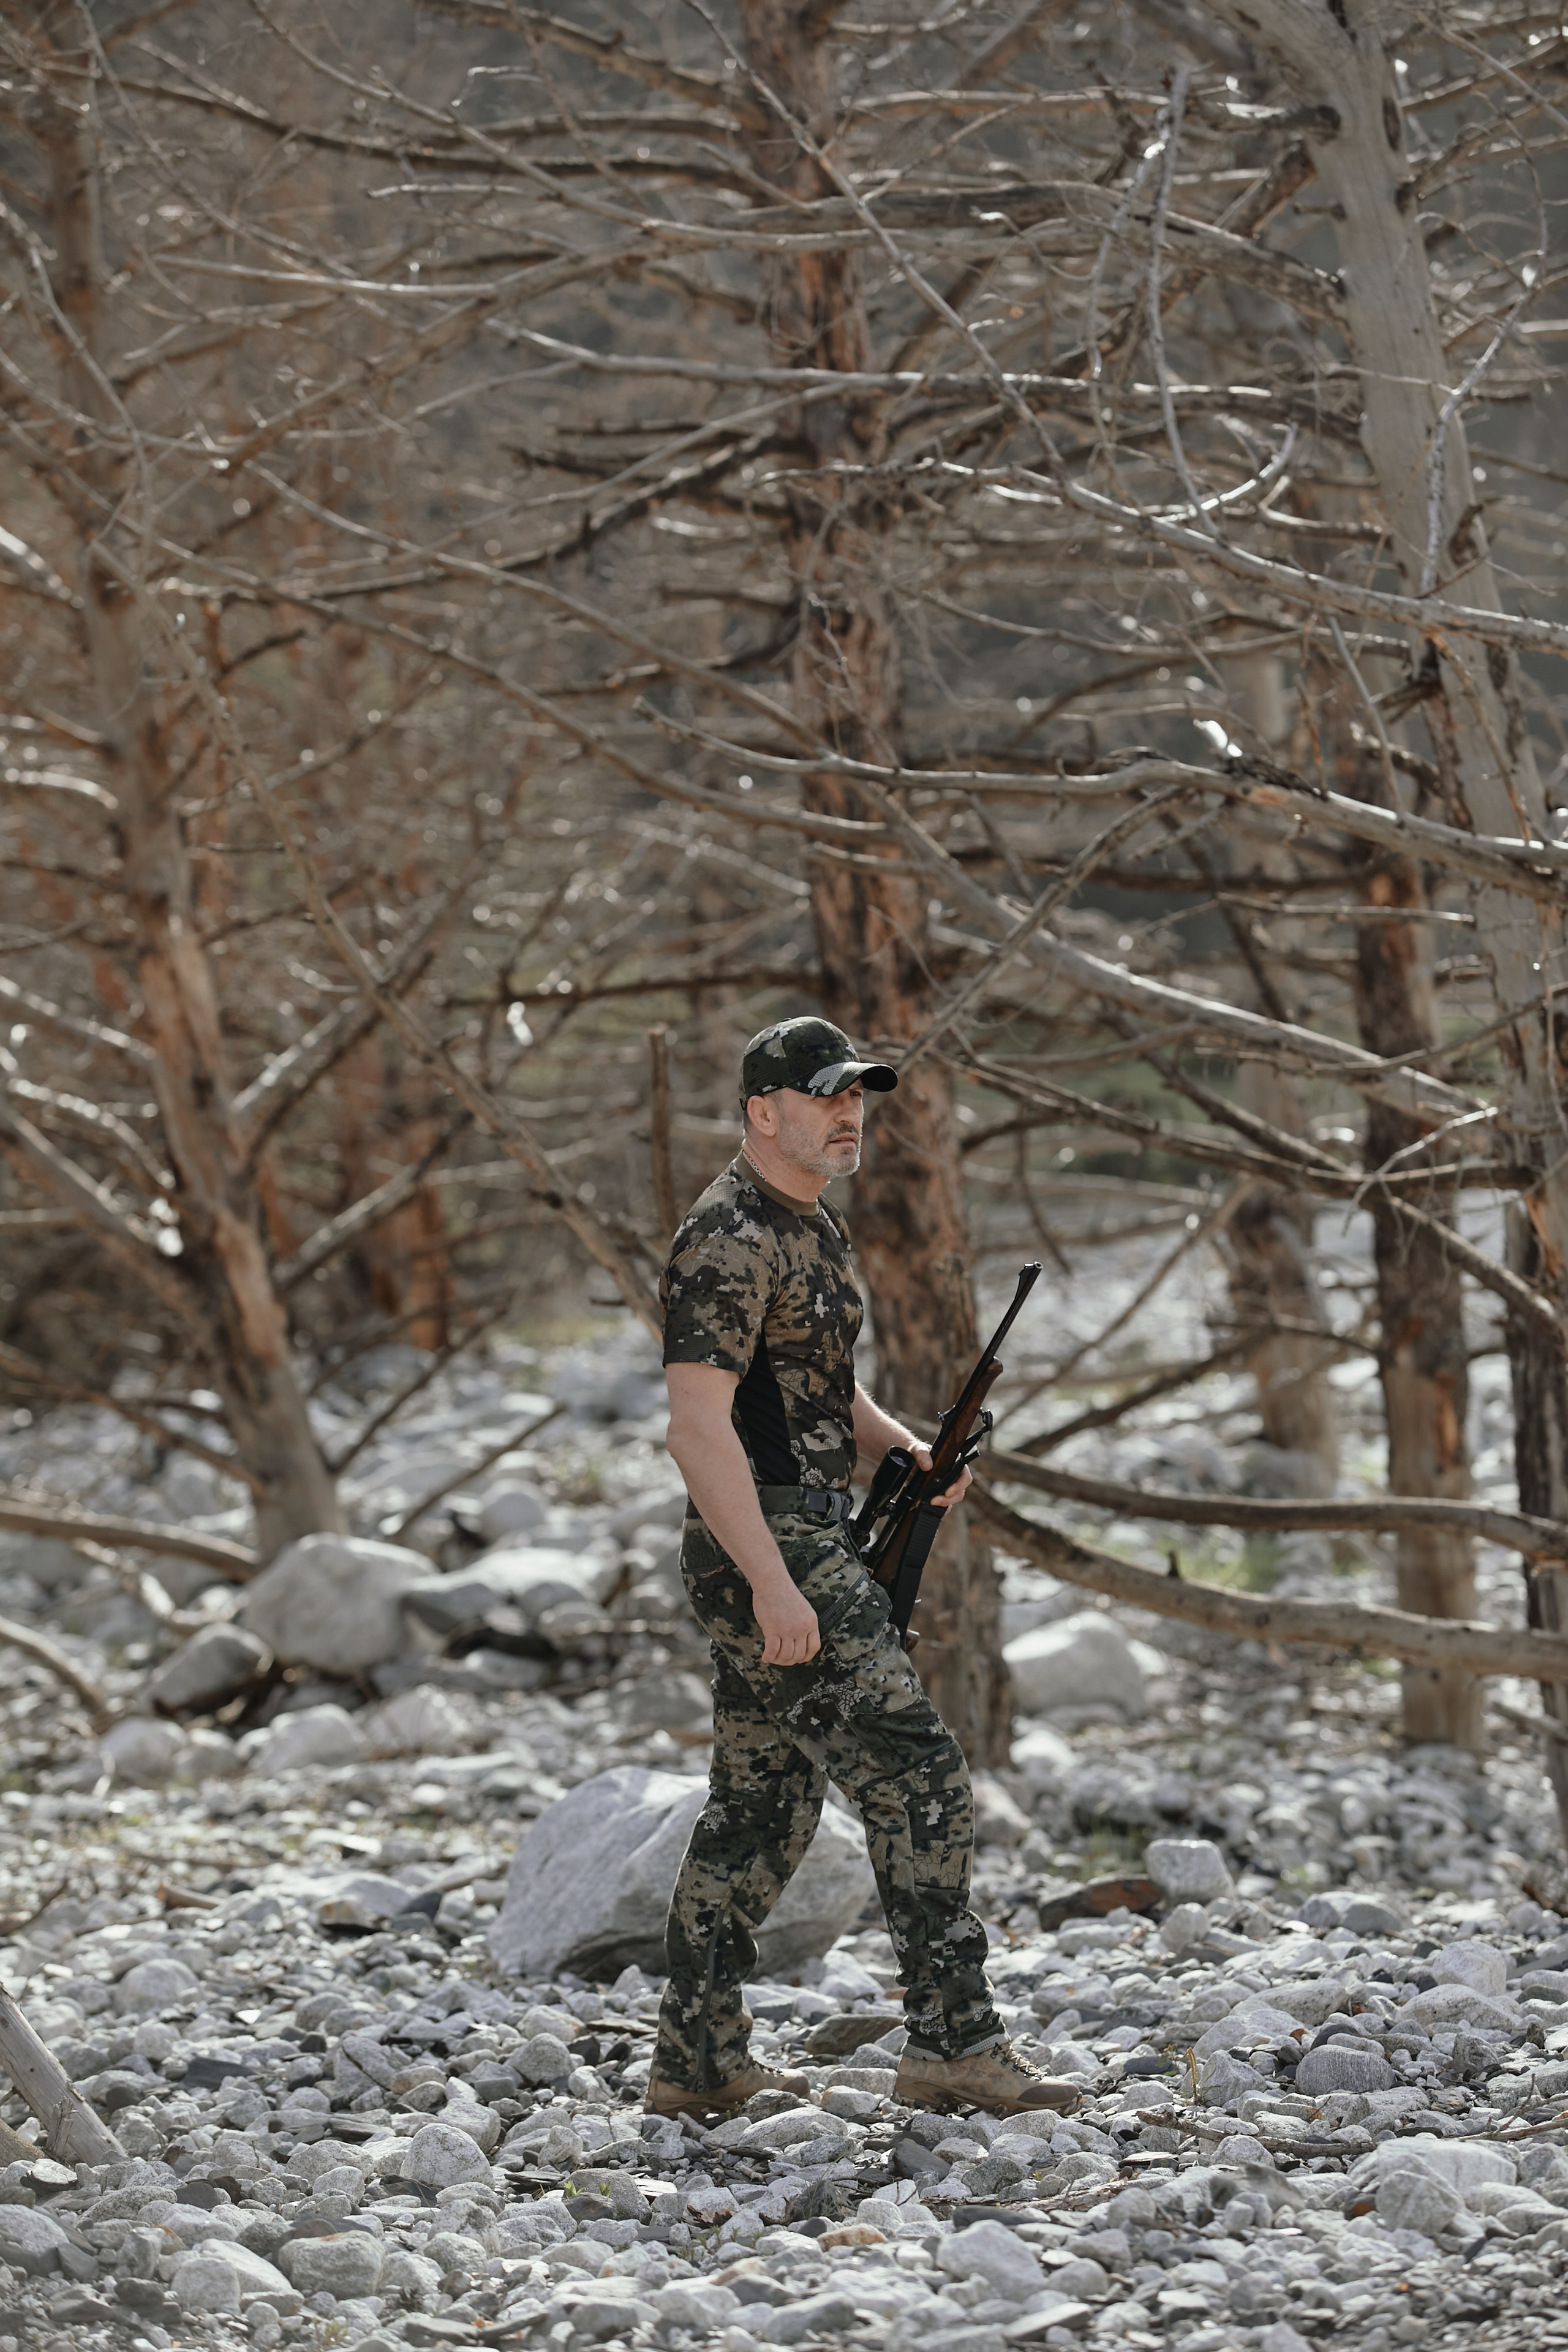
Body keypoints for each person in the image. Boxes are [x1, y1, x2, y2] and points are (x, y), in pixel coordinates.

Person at [646, 1015, 1082, 2122]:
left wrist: (904, 1450)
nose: (850, 1113)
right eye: (826, 1094)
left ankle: (696, 2065)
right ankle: (953, 2047)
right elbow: (697, 1429)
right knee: (917, 1774)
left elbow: (817, 1384)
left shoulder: (812, 1224)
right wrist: (773, 1584)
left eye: (857, 1095)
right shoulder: (726, 1236)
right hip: (766, 1542)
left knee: (761, 1810)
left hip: (811, 1530)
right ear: (763, 1112)